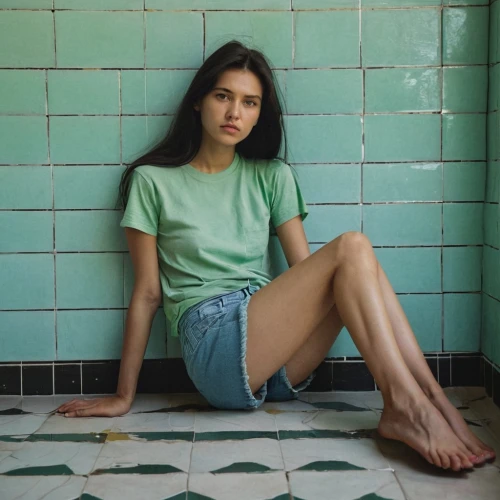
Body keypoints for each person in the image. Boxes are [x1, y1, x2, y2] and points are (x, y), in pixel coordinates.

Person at [56, 40, 495, 472]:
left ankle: (436, 403)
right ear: (198, 101)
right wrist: (122, 395)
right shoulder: (152, 181)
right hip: (213, 344)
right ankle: (407, 406)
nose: (234, 113)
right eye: (223, 96)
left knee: (357, 262)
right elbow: (148, 294)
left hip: (275, 358)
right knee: (352, 247)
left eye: (250, 103)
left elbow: (310, 276)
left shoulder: (272, 175)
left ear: (260, 113)